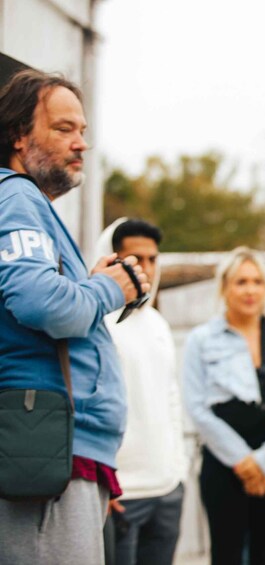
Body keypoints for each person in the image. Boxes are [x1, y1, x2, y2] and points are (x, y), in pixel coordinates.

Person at [0, 69, 150, 564]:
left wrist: (89, 283)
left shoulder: (30, 205)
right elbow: (44, 305)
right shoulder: (17, 197)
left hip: (57, 449)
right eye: (63, 129)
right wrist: (110, 287)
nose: (81, 143)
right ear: (18, 135)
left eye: (83, 131)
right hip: (45, 450)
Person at [183, 247, 265, 565]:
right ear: (225, 287)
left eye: (257, 282)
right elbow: (197, 408)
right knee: (226, 554)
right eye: (241, 282)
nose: (250, 290)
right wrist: (244, 463)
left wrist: (264, 462)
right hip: (225, 465)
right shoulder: (201, 339)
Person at [95, 218, 188, 565]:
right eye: (135, 258)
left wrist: (177, 471)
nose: (146, 268)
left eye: (152, 259)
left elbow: (171, 398)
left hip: (166, 489)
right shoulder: (96, 322)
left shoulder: (157, 324)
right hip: (121, 494)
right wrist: (102, 485)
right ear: (112, 258)